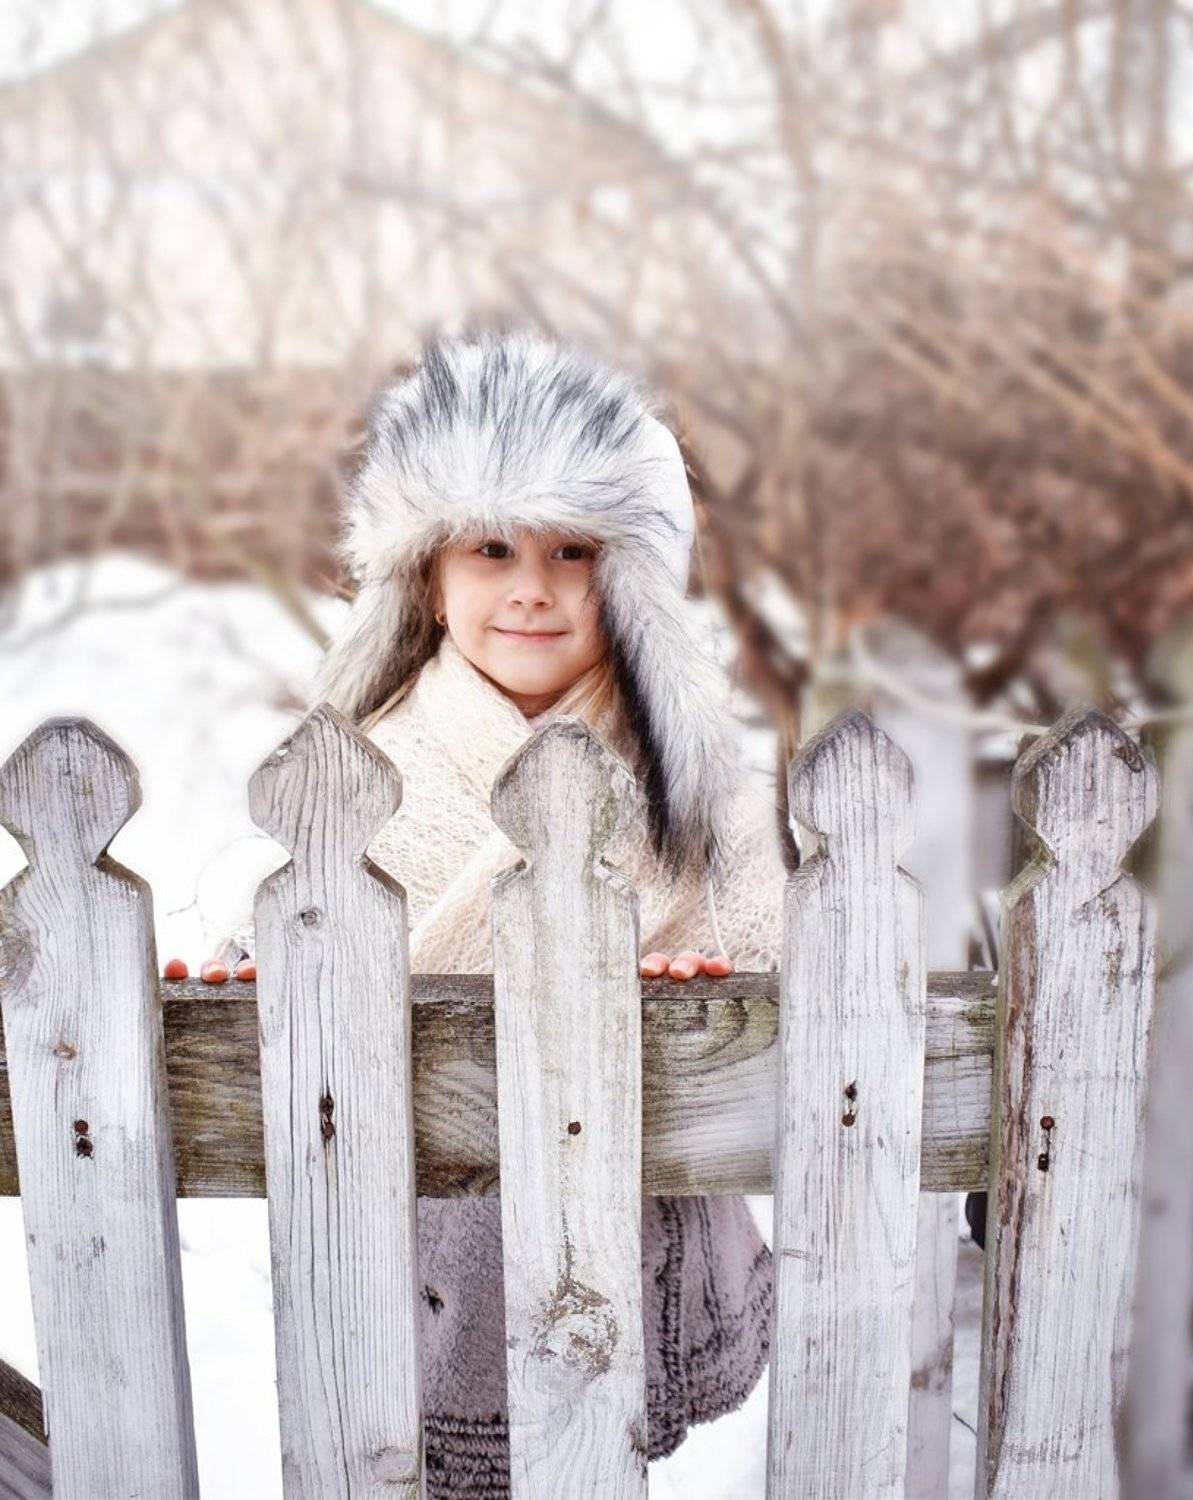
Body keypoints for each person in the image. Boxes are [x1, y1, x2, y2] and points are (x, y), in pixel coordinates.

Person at [181, 326, 792, 1496]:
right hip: (422, 1268)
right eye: (493, 547)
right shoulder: (367, 770)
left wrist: (701, 1004)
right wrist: (252, 975)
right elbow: (290, 944)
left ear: (635, 583)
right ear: (427, 572)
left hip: (635, 1256)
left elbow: (772, 966)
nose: (532, 588)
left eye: (575, 551)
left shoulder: (691, 790)